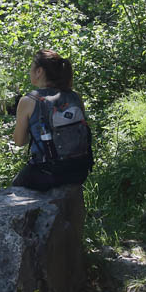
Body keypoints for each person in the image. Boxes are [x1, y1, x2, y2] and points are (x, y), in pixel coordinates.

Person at [11, 50, 92, 190]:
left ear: (39, 71)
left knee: (15, 186)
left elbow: (19, 141)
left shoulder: (28, 101)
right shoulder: (75, 96)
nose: (29, 71)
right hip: (79, 170)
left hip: (48, 173)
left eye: (31, 68)